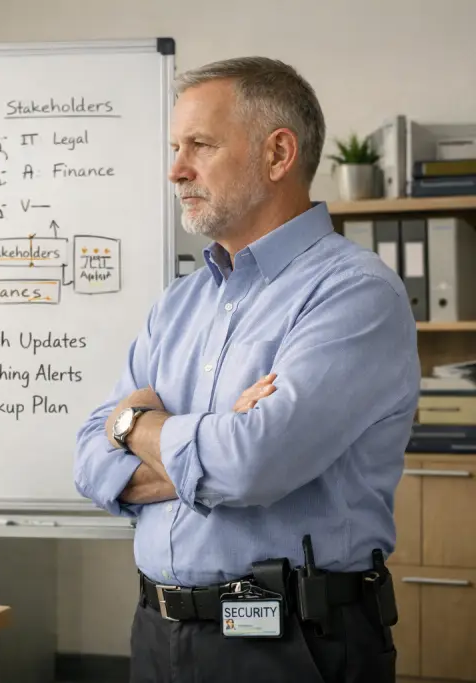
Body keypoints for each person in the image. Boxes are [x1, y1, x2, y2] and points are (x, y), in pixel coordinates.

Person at [73, 56, 419, 683]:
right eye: (175, 148)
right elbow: (89, 462)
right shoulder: (178, 304)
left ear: (278, 154)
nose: (176, 170)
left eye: (200, 146)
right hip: (156, 631)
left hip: (289, 643)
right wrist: (209, 434)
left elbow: (253, 464)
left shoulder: (355, 293)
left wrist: (135, 428)